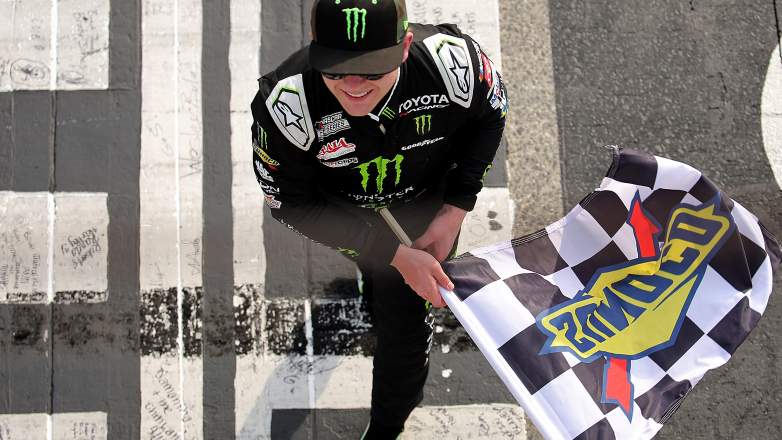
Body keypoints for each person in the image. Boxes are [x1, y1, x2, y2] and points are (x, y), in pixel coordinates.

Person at [251, 0, 508, 437]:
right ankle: (373, 276)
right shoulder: (285, 106)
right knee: (378, 269)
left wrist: (454, 210)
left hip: (428, 212)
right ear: (315, 47)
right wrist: (389, 254)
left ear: (406, 45)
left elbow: (492, 112)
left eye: (372, 70)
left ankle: (387, 428)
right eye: (335, 69)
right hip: (346, 214)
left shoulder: (454, 66)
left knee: (406, 336)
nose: (353, 85)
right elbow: (290, 205)